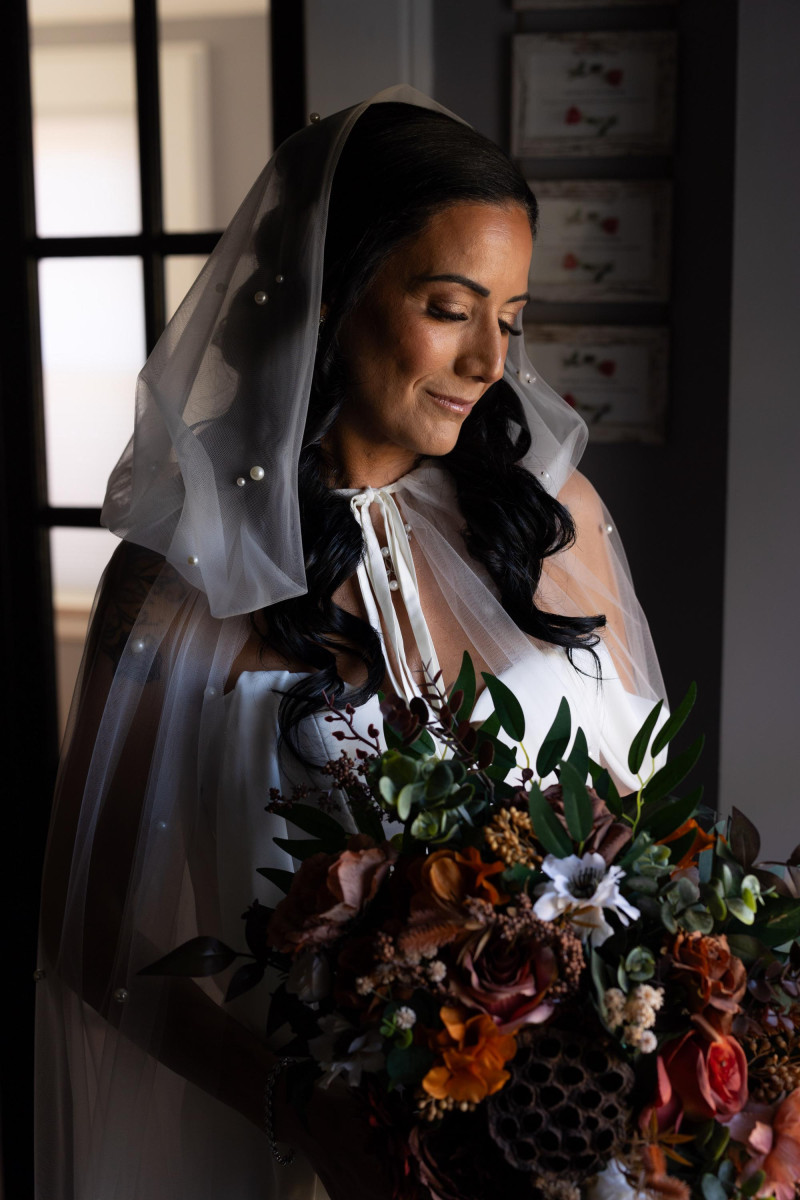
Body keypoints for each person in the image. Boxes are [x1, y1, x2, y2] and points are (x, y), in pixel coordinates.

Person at [34, 86, 665, 1200]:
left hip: (588, 1150)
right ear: (330, 295)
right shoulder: (181, 580)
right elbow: (91, 934)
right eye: (449, 306)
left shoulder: (554, 522)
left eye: (511, 317)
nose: (488, 359)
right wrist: (302, 1112)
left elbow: (647, 842)